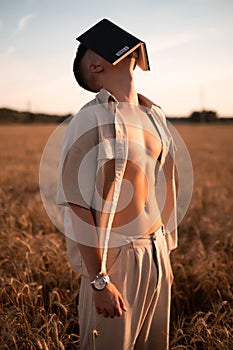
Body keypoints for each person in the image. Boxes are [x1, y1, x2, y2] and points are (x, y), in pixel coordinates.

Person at [57, 25, 177, 350]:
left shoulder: (155, 116)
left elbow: (162, 187)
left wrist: (164, 258)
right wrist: (99, 282)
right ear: (97, 66)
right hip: (115, 263)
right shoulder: (89, 119)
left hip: (156, 253)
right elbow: (77, 203)